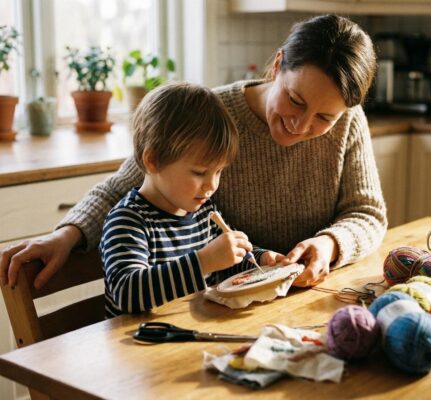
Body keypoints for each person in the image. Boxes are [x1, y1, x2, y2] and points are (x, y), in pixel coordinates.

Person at [0, 14, 387, 290]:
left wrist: (330, 243)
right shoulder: (213, 115)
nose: (302, 126)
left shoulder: (350, 122)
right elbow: (123, 187)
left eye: (324, 117)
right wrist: (68, 234)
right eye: (295, 100)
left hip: (301, 299)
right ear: (278, 65)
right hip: (227, 306)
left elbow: (367, 213)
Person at [100, 81, 280, 317]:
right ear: (153, 161)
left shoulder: (204, 213)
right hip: (139, 344)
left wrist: (261, 258)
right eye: (199, 172)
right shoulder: (128, 221)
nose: (212, 185)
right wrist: (204, 261)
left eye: (218, 172)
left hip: (191, 331)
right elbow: (128, 294)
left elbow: (230, 260)